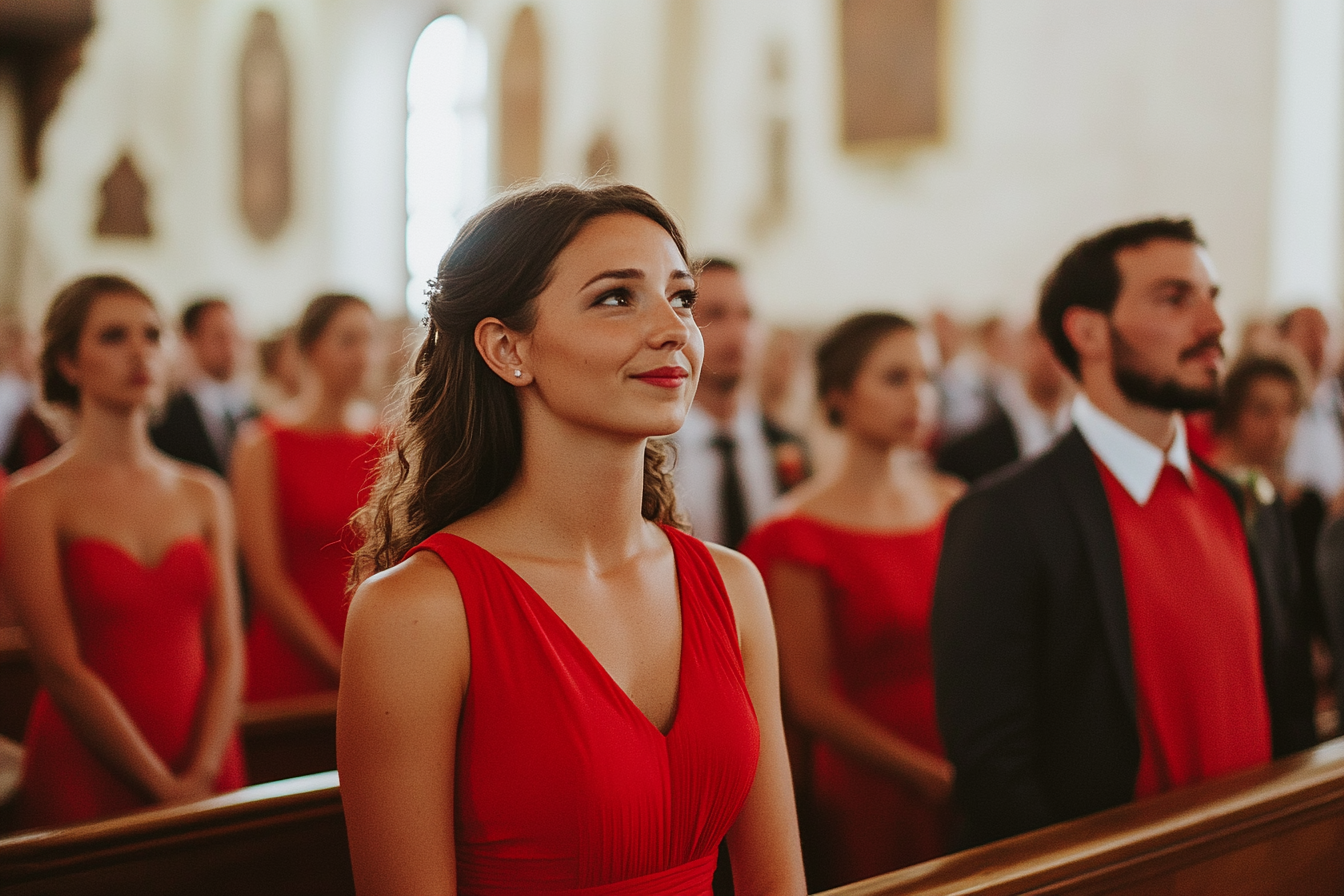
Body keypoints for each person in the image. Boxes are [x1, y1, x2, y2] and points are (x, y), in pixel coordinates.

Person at [337, 184, 805, 896]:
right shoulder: (419, 612)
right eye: (617, 298)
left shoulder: (732, 586)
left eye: (682, 298)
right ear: (507, 347)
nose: (675, 329)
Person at [931, 218, 1316, 848]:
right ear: (1088, 331)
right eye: (1174, 298)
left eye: (1212, 298)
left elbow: (1290, 711)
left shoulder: (1245, 504)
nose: (1213, 325)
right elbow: (996, 771)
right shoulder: (1006, 519)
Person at [1, 274, 245, 828]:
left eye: (153, 335)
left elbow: (227, 646)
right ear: (68, 362)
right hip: (87, 765)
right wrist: (161, 785)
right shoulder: (33, 497)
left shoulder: (203, 491)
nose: (140, 351)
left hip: (203, 753)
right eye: (113, 336)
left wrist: (202, 773)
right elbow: (60, 664)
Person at [740, 312, 960, 887]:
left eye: (928, 377)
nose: (920, 397)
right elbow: (808, 699)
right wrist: (926, 774)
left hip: (968, 748)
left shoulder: (956, 504)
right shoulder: (796, 532)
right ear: (839, 395)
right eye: (895, 378)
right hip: (872, 776)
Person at [232, 293, 381, 701]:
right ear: (311, 349)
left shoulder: (388, 442)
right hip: (291, 655)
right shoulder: (263, 444)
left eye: (370, 340)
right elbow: (266, 577)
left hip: (376, 648)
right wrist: (335, 664)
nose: (363, 354)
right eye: (348, 340)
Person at [670, 258, 810, 548]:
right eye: (715, 315)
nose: (738, 332)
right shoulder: (653, 450)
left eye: (747, 315)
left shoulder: (789, 446)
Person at [936, 322, 1072, 484]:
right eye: (1035, 339)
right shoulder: (969, 449)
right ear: (1015, 349)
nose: (1049, 352)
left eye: (1061, 340)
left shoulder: (1091, 433)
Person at [151, 298, 253, 477]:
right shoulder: (165, 419)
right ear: (190, 339)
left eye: (234, 335)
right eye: (219, 336)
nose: (231, 347)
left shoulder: (256, 413)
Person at [1280, 307, 1344, 503]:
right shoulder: (1271, 398)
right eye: (1309, 332)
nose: (1319, 343)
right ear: (1283, 338)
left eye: (1324, 332)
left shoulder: (1336, 402)